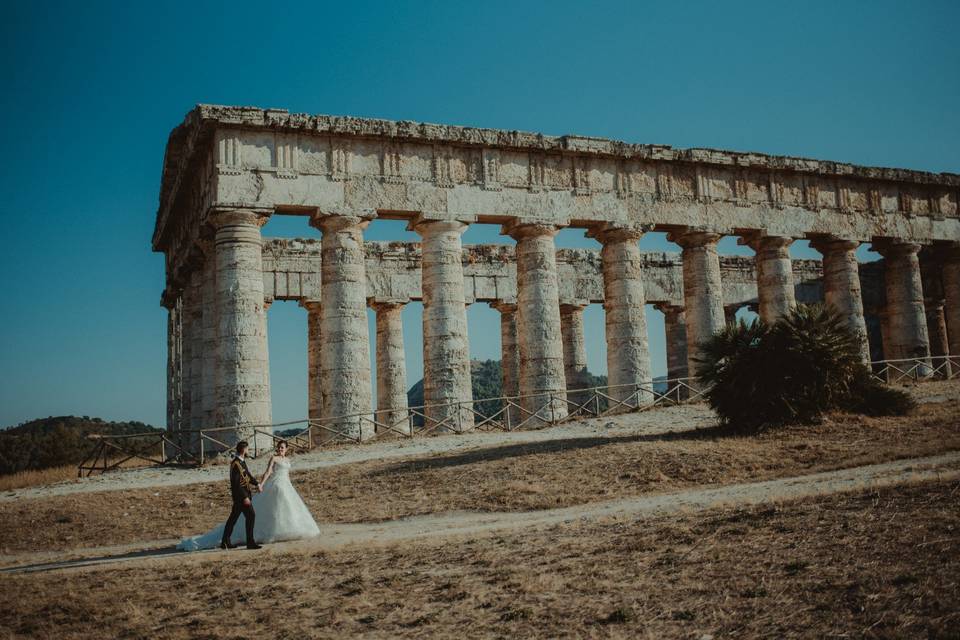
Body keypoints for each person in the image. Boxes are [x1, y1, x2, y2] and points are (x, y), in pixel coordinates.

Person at [177, 439, 320, 551]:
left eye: (282, 448)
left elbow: (248, 476)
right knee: (248, 516)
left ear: (286, 449)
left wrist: (257, 484)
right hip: (243, 495)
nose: (280, 449)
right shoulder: (236, 463)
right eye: (279, 447)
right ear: (243, 450)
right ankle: (246, 542)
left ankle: (226, 541)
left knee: (234, 518)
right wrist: (256, 487)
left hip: (274, 487)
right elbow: (238, 482)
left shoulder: (243, 462)